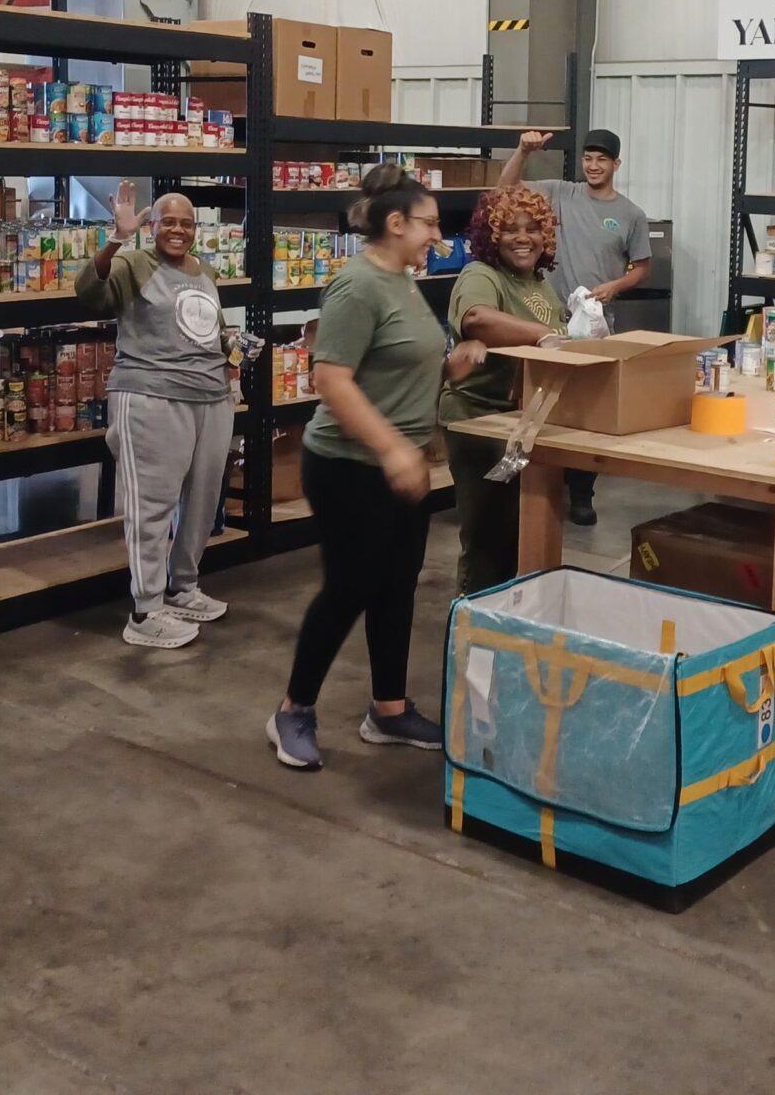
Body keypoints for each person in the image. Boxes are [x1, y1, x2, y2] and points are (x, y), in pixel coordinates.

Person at [268, 165, 487, 772]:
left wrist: (449, 370)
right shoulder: (357, 284)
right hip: (349, 465)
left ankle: (388, 710)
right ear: (396, 224)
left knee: (395, 586)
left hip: (400, 463)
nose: (437, 238)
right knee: (349, 587)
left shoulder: (402, 281)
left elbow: (390, 366)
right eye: (430, 224)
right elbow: (330, 379)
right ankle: (292, 709)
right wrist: (392, 449)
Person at [76, 183, 235, 650]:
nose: (178, 231)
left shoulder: (203, 270)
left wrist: (232, 347)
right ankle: (145, 611)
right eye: (169, 222)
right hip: (150, 396)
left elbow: (210, 329)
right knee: (152, 507)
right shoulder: (135, 262)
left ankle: (182, 587)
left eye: (187, 223)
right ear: (152, 226)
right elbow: (90, 293)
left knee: (203, 504)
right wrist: (116, 239)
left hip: (210, 397)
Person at [499, 127, 652, 525]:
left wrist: (616, 286)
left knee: (588, 414)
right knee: (539, 406)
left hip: (595, 328)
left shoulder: (630, 214)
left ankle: (582, 493)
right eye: (588, 158)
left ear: (616, 165)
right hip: (545, 321)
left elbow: (642, 266)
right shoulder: (560, 193)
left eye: (602, 159)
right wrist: (523, 152)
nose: (594, 166)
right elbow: (505, 189)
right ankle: (537, 488)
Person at [440, 186, 564, 593]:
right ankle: (474, 630)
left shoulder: (540, 285)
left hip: (523, 424)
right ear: (493, 235)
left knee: (519, 533)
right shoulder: (482, 274)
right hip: (480, 421)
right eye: (510, 229)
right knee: (486, 539)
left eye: (533, 229)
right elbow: (476, 318)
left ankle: (509, 624)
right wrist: (544, 335)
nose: (523, 238)